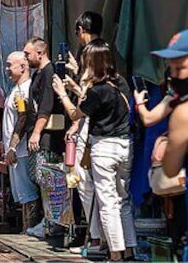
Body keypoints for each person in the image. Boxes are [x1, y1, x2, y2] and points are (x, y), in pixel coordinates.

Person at [54, 40, 137, 261]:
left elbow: (75, 114)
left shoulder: (97, 91)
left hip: (105, 148)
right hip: (125, 146)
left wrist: (63, 94)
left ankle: (115, 254)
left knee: (107, 202)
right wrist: (78, 88)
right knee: (123, 200)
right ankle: (129, 250)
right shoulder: (120, 83)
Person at [63, 11, 105, 254]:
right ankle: (102, 240)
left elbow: (88, 99)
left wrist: (68, 89)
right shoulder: (102, 52)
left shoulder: (91, 53)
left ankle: (98, 240)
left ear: (81, 29)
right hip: (94, 126)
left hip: (91, 127)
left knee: (87, 184)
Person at [156, 28, 188, 262]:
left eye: (180, 67)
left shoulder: (185, 114)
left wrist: (167, 139)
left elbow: (170, 168)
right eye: (171, 68)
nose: (173, 75)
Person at [23, 36, 66, 237]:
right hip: (39, 133)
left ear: (40, 53)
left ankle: (52, 222)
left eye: (27, 54)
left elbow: (46, 107)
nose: (25, 58)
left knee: (48, 179)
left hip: (48, 137)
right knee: (40, 178)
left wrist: (37, 132)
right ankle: (48, 220)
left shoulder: (49, 73)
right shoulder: (38, 73)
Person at [0, 51, 40, 233]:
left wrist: (13, 148)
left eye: (10, 65)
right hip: (16, 150)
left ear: (23, 67)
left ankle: (29, 230)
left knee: (27, 193)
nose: (6, 69)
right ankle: (26, 229)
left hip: (21, 151)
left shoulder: (24, 91)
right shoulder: (17, 89)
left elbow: (23, 119)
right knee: (22, 194)